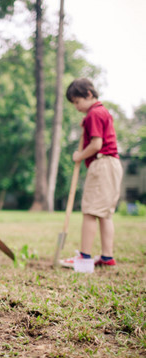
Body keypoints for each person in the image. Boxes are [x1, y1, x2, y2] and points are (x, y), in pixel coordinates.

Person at [60, 78, 123, 268]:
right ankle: (107, 257)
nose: (76, 107)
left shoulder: (94, 114)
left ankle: (85, 257)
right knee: (105, 214)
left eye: (77, 102)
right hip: (113, 165)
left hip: (102, 163)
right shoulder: (101, 112)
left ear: (88, 94)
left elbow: (96, 144)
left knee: (90, 212)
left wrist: (79, 155)